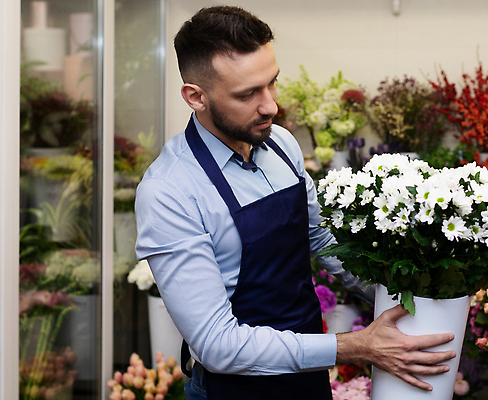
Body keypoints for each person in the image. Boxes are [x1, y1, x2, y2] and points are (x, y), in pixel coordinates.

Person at [135, 6, 456, 400]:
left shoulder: (281, 144)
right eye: (248, 93)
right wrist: (355, 346)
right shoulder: (170, 192)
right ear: (195, 97)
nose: (270, 105)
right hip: (232, 389)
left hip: (306, 377)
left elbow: (321, 240)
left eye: (272, 83)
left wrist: (411, 298)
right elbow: (218, 345)